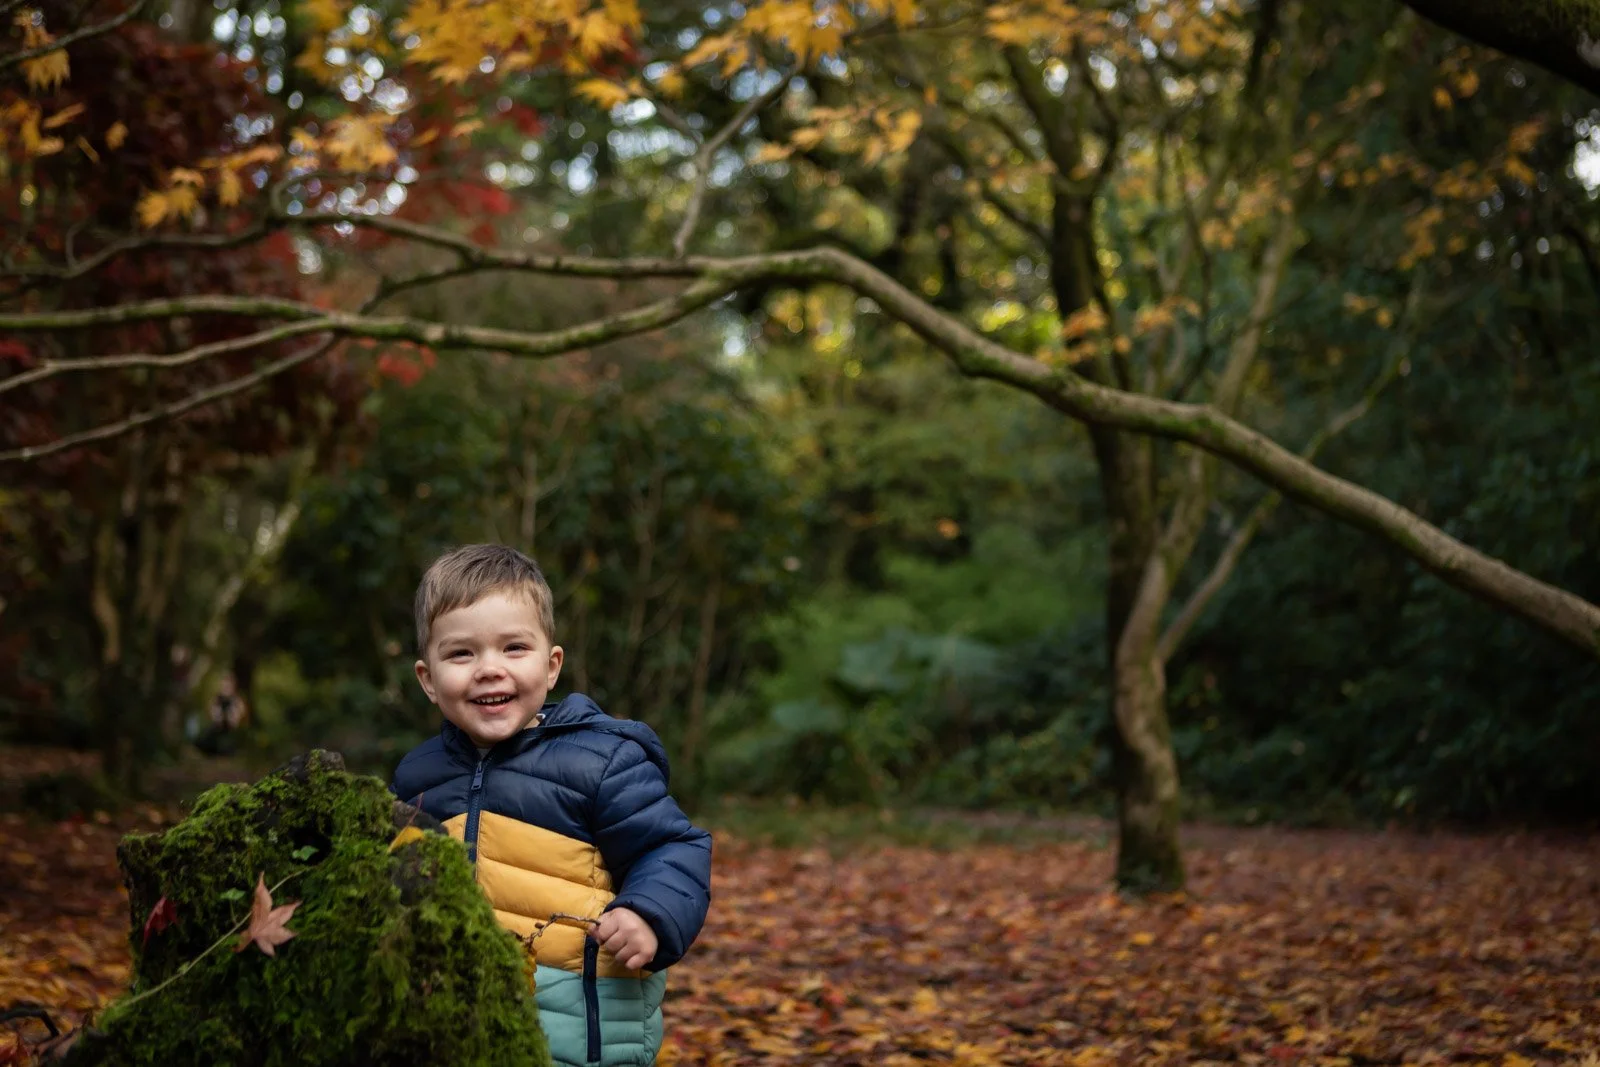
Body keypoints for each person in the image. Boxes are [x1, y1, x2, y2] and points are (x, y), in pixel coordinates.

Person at [391, 544, 712, 1067]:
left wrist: (648, 914)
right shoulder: (417, 778)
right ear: (428, 680)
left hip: (583, 1039)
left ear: (552, 665)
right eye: (461, 654)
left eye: (514, 648)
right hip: (456, 1034)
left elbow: (672, 847)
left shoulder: (599, 763)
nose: (489, 669)